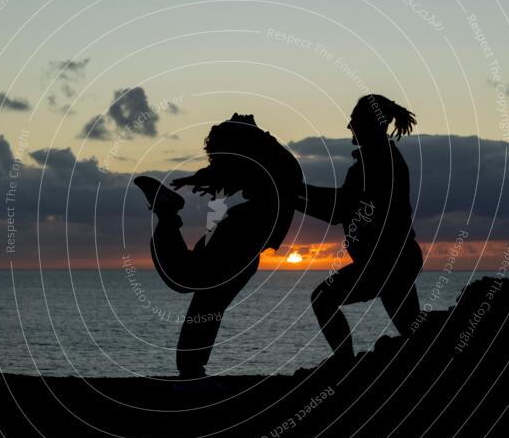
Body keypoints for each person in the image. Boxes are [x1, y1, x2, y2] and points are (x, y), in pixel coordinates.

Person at [134, 114, 302, 379]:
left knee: (198, 292)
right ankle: (191, 368)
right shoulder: (271, 163)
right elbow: (234, 171)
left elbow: (236, 170)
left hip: (243, 234)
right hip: (243, 234)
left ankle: (192, 369)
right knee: (197, 290)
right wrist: (201, 177)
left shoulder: (269, 162)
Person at [296, 95, 423, 364]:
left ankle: (344, 364)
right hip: (396, 260)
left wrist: (292, 193)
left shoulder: (376, 163)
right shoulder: (377, 160)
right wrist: (294, 194)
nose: (349, 126)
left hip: (386, 263)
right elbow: (340, 207)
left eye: (354, 120)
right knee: (414, 331)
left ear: (370, 123)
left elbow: (338, 209)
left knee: (323, 299)